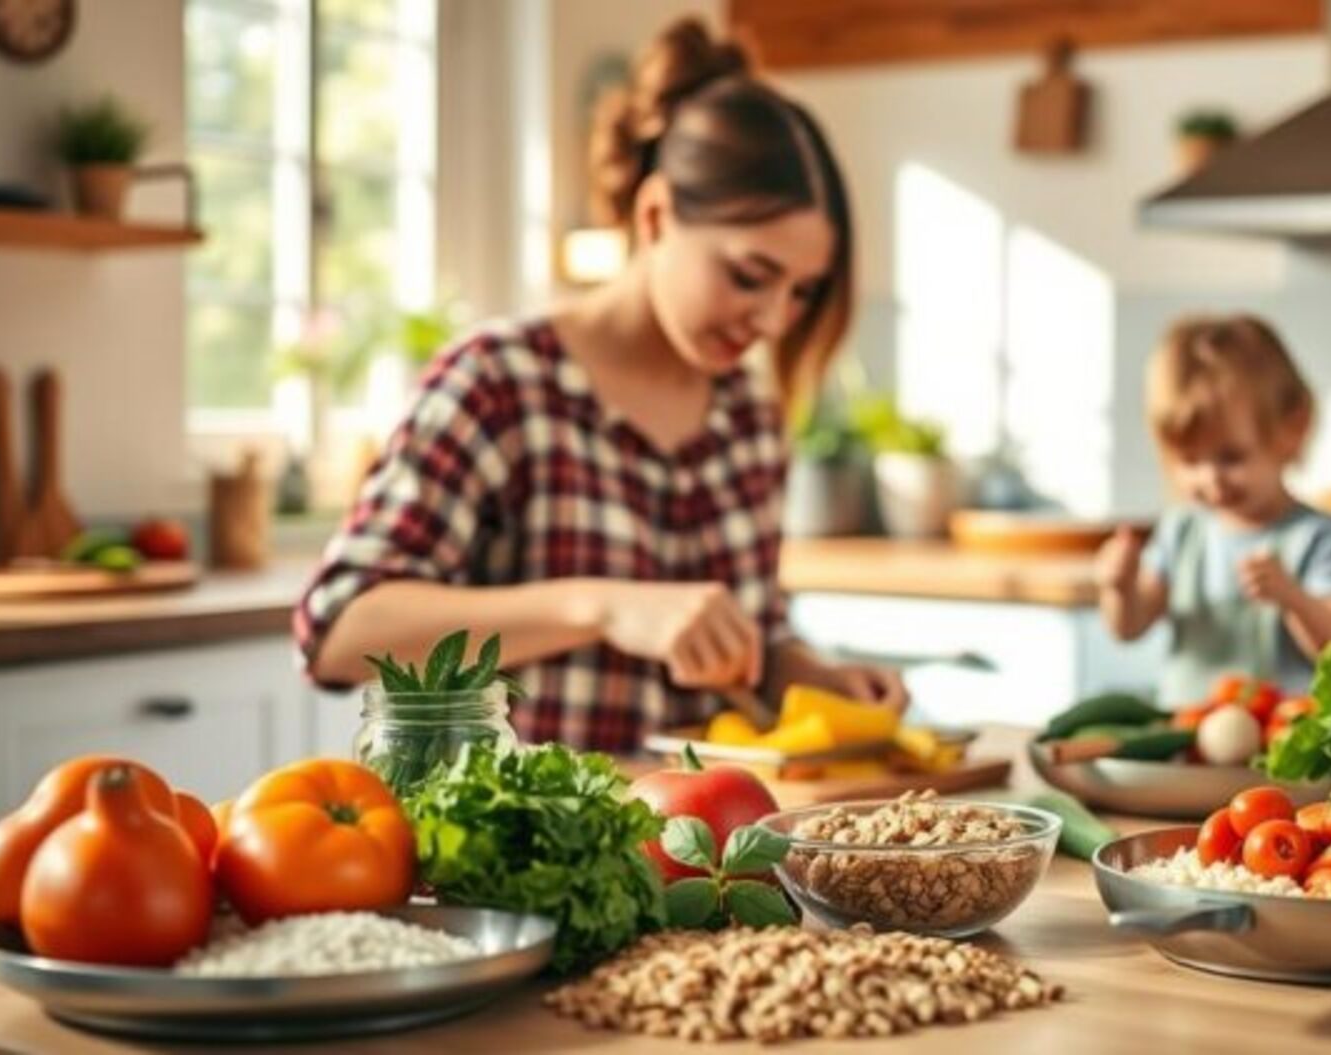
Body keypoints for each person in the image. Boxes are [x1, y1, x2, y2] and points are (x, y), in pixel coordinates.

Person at [295, 18, 905, 751]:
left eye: (802, 291)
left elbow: (747, 633)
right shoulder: (499, 383)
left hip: (698, 853)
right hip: (518, 854)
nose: (775, 318)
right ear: (655, 215)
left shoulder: (749, 419)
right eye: (750, 275)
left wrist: (798, 670)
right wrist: (601, 605)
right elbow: (339, 632)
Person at [1095, 315, 1331, 702]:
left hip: (1287, 748)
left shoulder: (1321, 537)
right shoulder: (1182, 529)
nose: (1211, 479)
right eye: (1190, 461)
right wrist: (1119, 587)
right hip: (1189, 745)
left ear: (1292, 429)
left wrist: (1293, 598)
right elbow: (1129, 628)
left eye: (1231, 458)